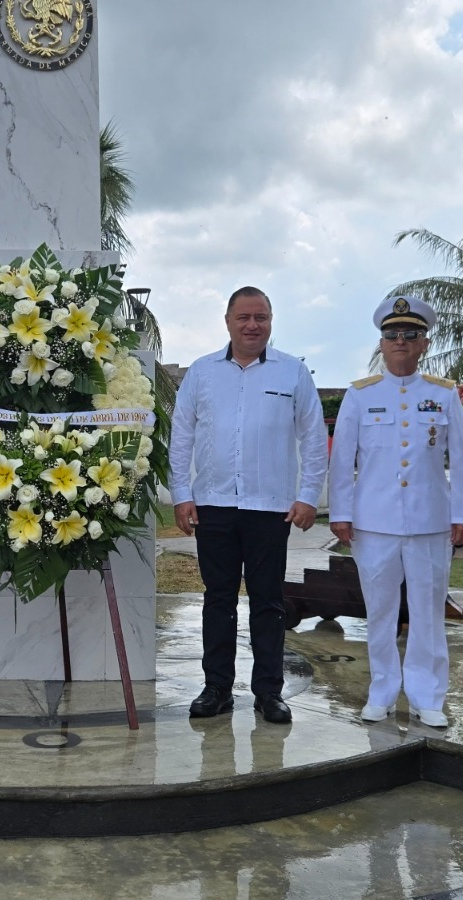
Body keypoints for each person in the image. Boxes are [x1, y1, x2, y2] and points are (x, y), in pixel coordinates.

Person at [169, 286, 329, 724]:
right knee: (217, 599)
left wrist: (308, 495)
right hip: (214, 504)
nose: (252, 325)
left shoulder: (292, 372)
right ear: (227, 321)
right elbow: (181, 437)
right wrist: (182, 494)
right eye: (244, 317)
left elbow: (313, 438)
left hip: (270, 507)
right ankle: (217, 687)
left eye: (261, 317)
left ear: (271, 321)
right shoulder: (201, 374)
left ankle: (269, 693)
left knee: (268, 602)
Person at [327, 295, 463, 728]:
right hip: (373, 523)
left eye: (409, 336)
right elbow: (344, 462)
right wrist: (341, 512)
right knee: (379, 611)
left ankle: (429, 696)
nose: (400, 343)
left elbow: (462, 459)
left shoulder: (443, 395)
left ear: (423, 343)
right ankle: (382, 691)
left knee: (429, 611)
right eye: (392, 336)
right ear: (382, 343)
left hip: (430, 521)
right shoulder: (360, 396)